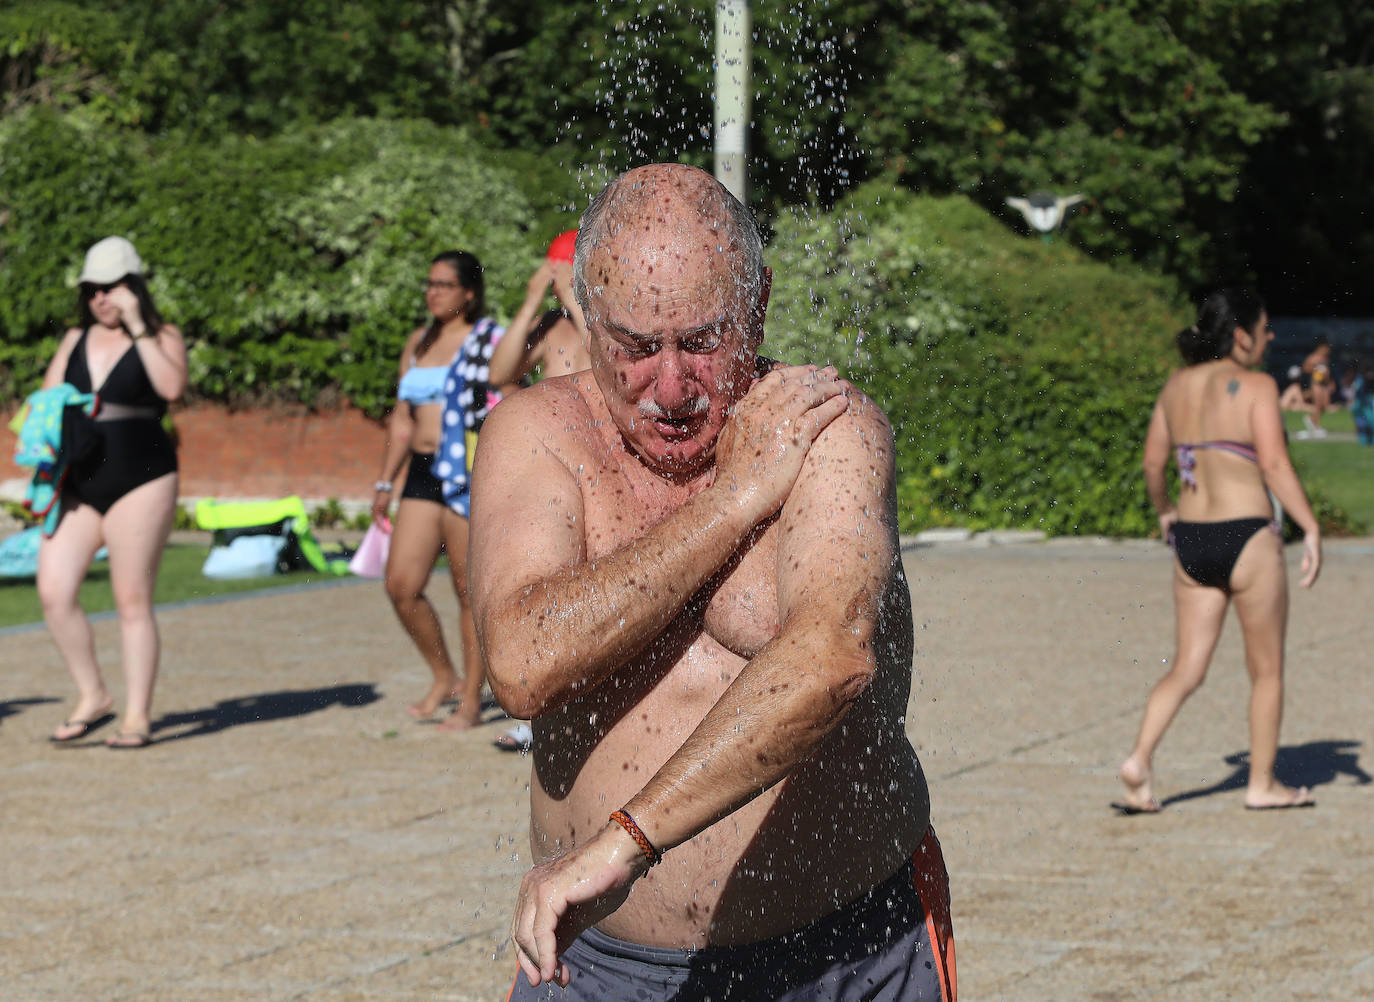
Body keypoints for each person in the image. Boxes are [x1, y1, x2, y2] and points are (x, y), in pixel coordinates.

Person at [469, 164, 954, 1000]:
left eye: (703, 341)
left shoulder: (825, 426)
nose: (670, 388)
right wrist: (731, 503)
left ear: (759, 303)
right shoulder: (539, 434)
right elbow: (520, 662)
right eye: (634, 346)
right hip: (606, 970)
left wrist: (625, 842)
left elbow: (829, 661)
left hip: (845, 954)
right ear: (586, 320)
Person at [1117, 288, 1322, 814]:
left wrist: (1165, 510)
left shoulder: (1176, 386)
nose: (1270, 336)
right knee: (1267, 670)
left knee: (1187, 666)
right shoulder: (1256, 385)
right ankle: (1261, 784)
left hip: (1192, 538)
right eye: (1265, 327)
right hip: (1248, 535)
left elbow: (1151, 463)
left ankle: (1139, 761)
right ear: (1241, 334)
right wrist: (1310, 527)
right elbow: (1274, 465)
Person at [38, 236, 187, 748]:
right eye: (94, 289)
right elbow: (46, 401)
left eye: (114, 287)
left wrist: (140, 328)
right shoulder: (75, 338)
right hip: (80, 476)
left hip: (141, 476)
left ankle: (137, 715)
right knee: (54, 592)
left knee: (131, 599)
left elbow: (170, 388)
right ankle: (93, 695)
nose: (103, 298)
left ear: (135, 286)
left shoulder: (162, 334)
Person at [372, 250, 502, 727]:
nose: (433, 292)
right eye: (429, 283)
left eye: (444, 285)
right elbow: (403, 418)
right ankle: (443, 673)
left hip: (468, 471)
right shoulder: (418, 341)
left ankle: (471, 697)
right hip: (422, 473)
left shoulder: (486, 341)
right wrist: (386, 480)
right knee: (401, 584)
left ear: (469, 292)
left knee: (468, 591)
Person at [487, 234, 592, 390]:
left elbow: (607, 362)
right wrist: (530, 304)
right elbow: (498, 375)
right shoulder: (553, 323)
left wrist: (573, 301)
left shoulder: (616, 322)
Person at [1299, 338, 1334, 436]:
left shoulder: (1325, 358)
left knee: (1325, 405)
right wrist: (1315, 368)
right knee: (1318, 405)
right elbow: (1305, 368)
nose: (1328, 351)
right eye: (1326, 348)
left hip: (1324, 384)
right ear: (1321, 348)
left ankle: (1310, 419)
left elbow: (1327, 372)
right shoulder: (1313, 357)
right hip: (1316, 384)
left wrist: (1330, 382)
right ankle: (1316, 425)